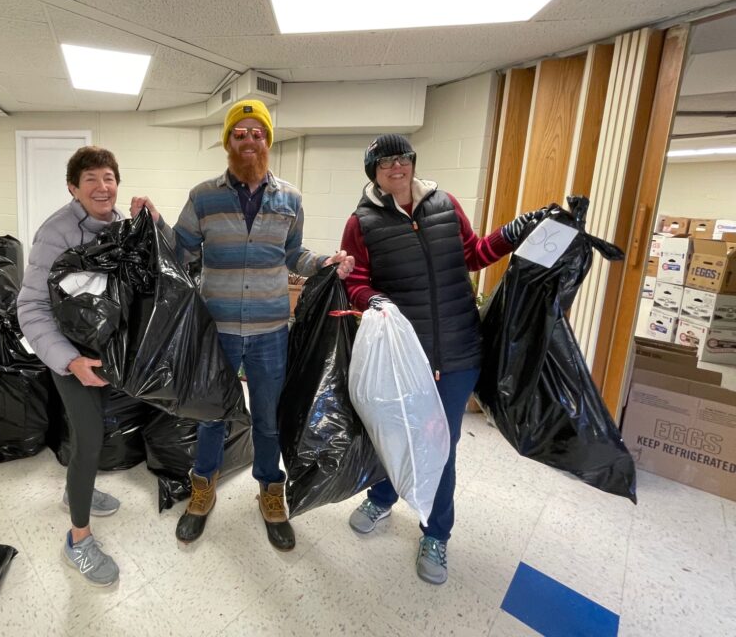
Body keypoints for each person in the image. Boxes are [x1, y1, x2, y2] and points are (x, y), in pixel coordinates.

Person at [340, 133, 539, 585]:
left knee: (440, 443)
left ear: (412, 162)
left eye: (403, 158)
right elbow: (357, 281)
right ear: (373, 171)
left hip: (457, 351)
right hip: (402, 356)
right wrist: (375, 300)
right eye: (385, 161)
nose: (397, 166)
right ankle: (383, 496)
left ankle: (437, 533)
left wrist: (513, 232)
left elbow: (474, 255)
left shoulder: (444, 204)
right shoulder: (361, 222)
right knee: (393, 433)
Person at [172, 99, 354, 551]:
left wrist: (324, 262)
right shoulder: (203, 197)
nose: (249, 140)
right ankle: (202, 489)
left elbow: (294, 255)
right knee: (214, 415)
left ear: (268, 142)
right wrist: (150, 224)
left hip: (272, 328)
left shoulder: (290, 198)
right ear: (228, 141)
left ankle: (271, 493)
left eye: (258, 133)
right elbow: (178, 253)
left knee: (268, 419)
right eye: (240, 133)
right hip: (219, 328)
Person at [17, 145, 168, 587]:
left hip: (106, 354)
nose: (102, 187)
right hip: (72, 357)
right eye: (91, 180)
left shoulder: (121, 225)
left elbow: (169, 264)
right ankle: (77, 540)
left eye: (109, 178)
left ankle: (72, 493)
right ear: (73, 188)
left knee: (96, 430)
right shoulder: (56, 232)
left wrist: (155, 224)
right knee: (89, 440)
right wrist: (69, 361)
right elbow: (30, 306)